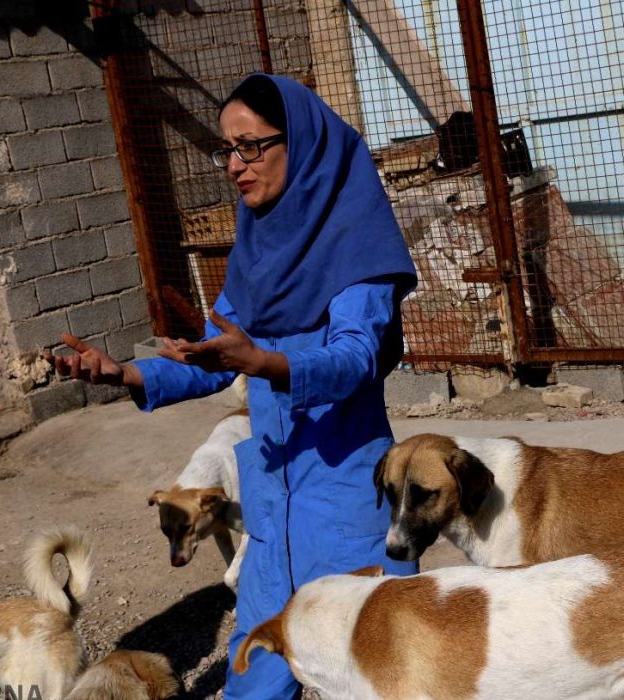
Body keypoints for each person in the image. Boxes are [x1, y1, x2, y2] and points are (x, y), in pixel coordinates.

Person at [51, 73, 419, 698]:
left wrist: (268, 363)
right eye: (226, 149)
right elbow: (215, 353)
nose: (233, 165)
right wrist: (127, 372)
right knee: (255, 675)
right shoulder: (256, 253)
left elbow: (355, 359)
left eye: (250, 146)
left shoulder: (356, 248)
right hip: (272, 508)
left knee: (374, 675)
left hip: (342, 502)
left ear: (300, 145)